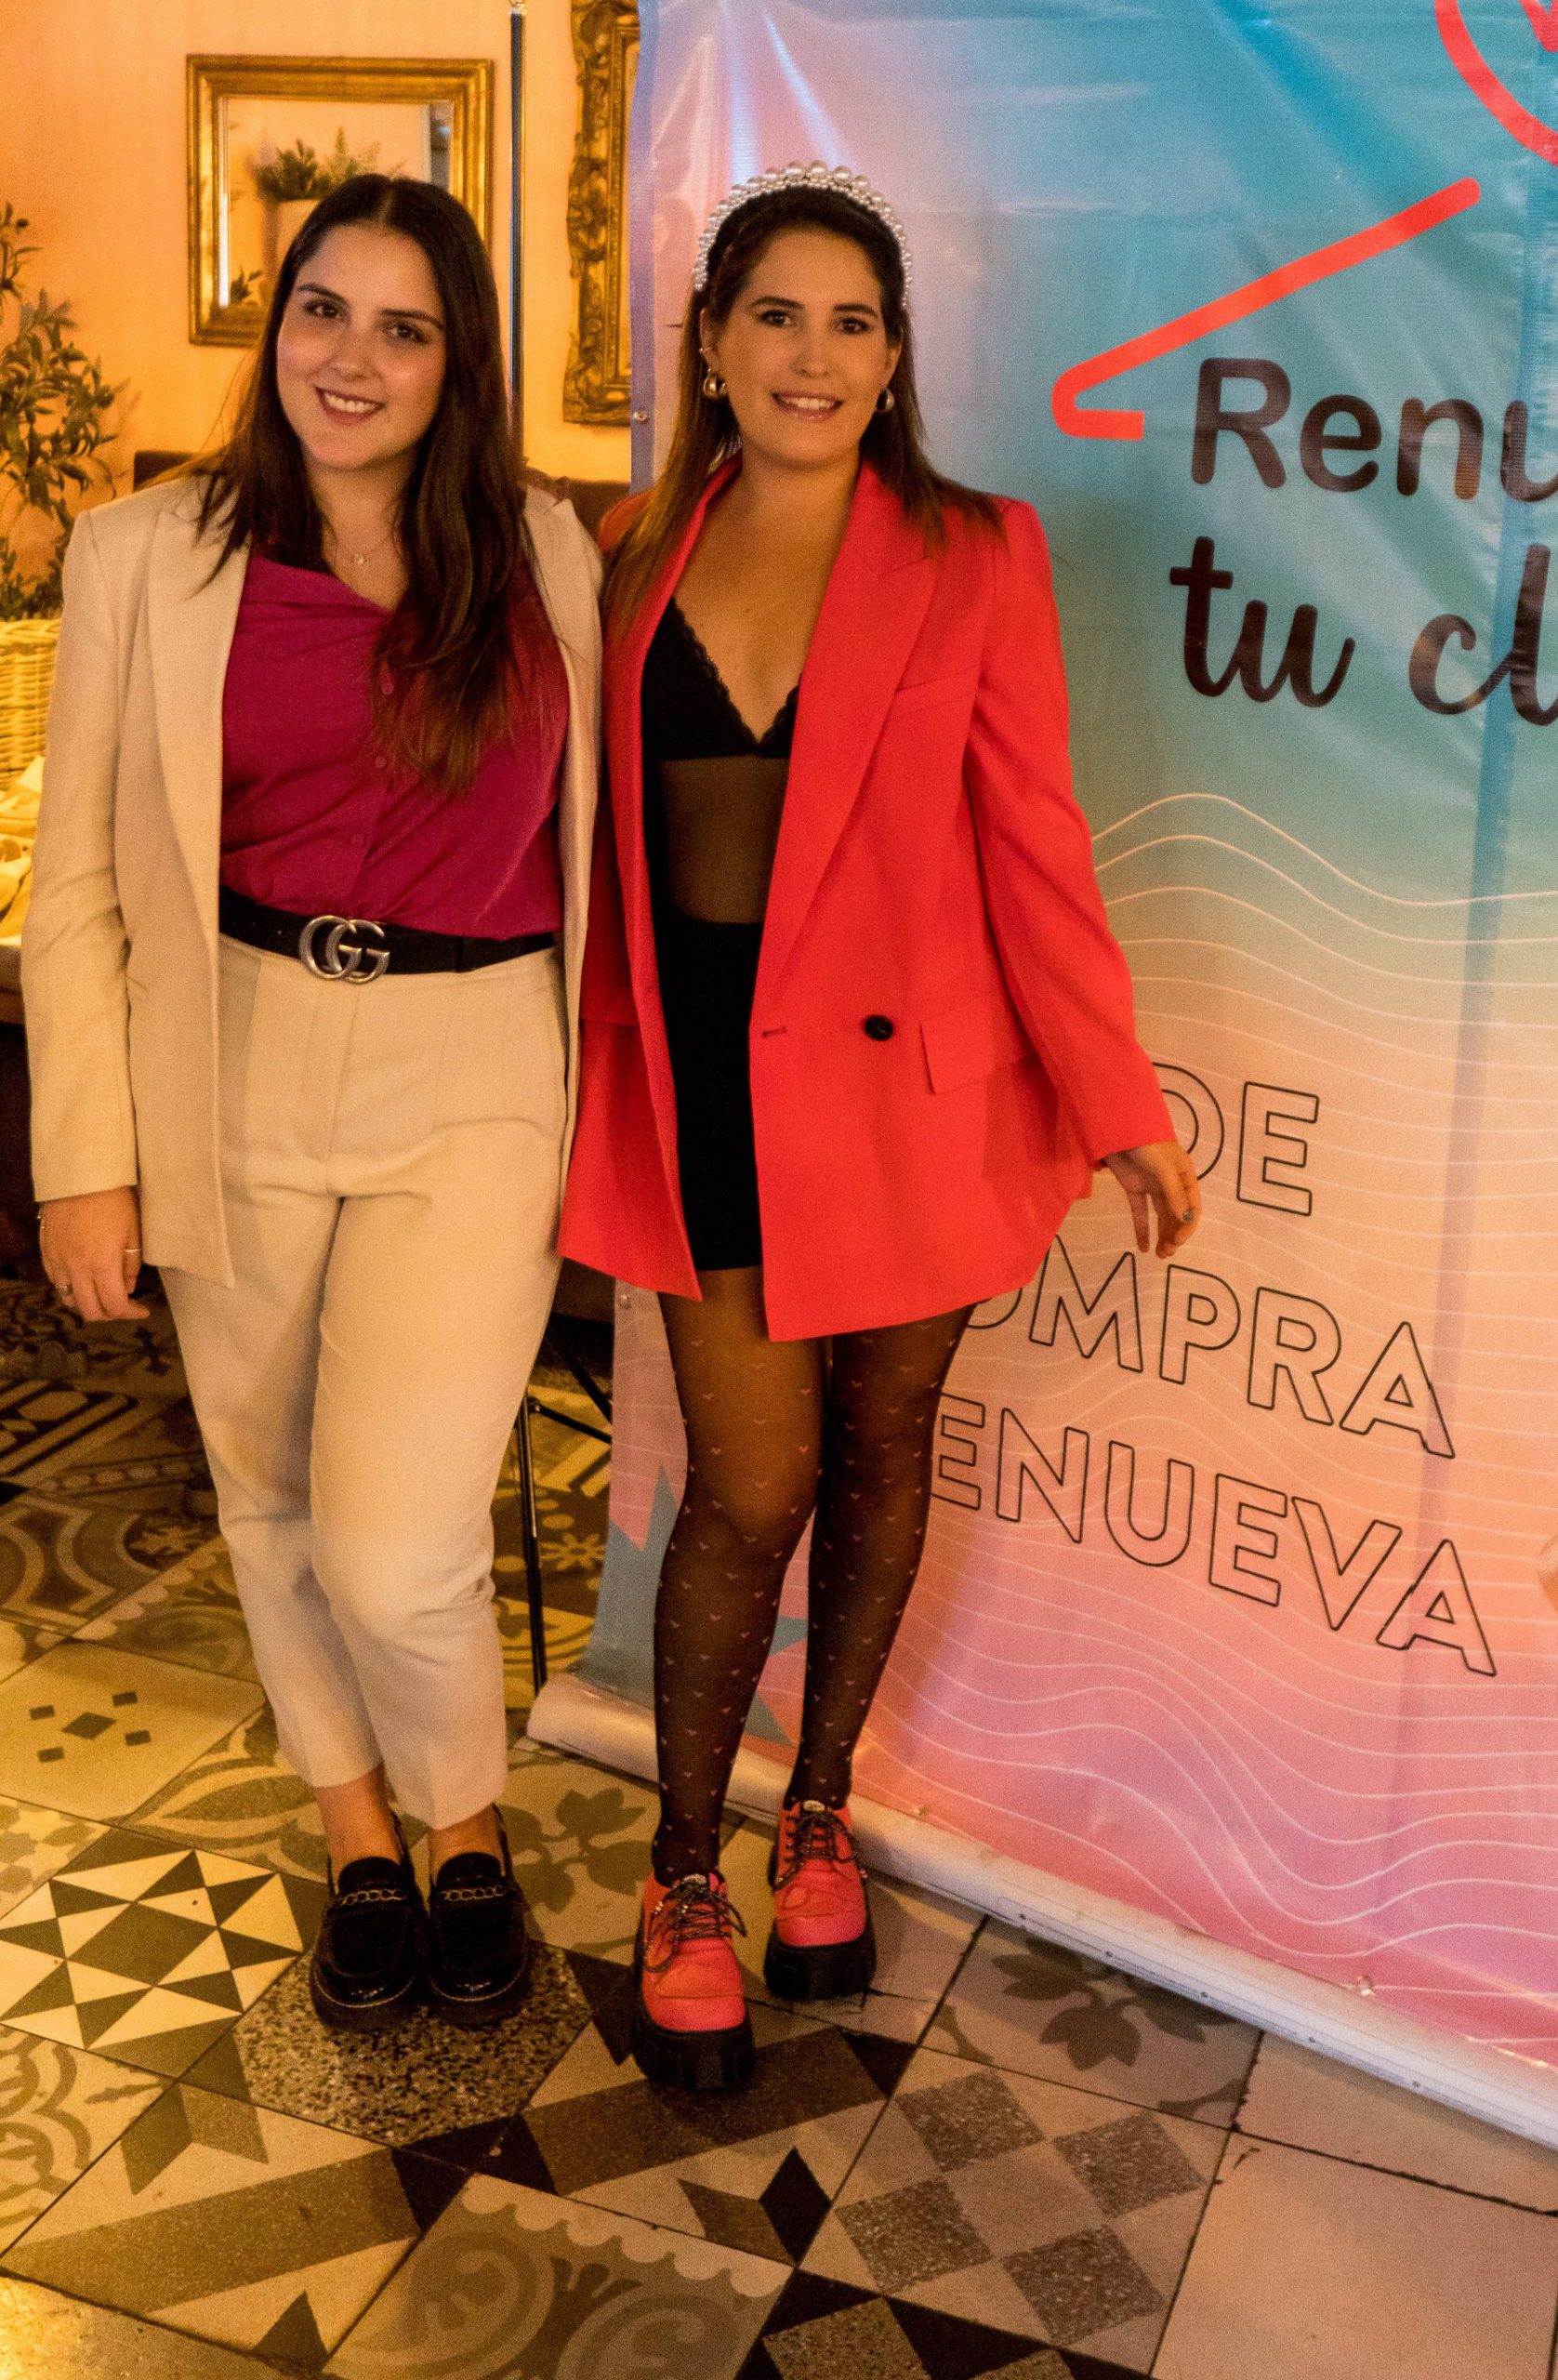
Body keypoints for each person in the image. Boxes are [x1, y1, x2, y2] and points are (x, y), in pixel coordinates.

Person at [560, 163, 1201, 2093]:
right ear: (711, 341)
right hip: (708, 1098)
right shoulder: (628, 548)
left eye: (855, 322)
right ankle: (686, 1871)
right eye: (777, 313)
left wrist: (1117, 1100)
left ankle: (819, 1812)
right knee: (749, 1486)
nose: (814, 354)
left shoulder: (975, 548)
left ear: (898, 357)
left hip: (919, 1105)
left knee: (881, 1446)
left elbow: (1035, 840)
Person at [25, 175, 602, 2034]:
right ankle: (366, 1835)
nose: (349, 358)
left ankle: (464, 1817)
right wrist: (83, 1163)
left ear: (459, 363)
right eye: (321, 310)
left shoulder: (547, 554)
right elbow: (81, 884)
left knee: (394, 1535)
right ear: (277, 326)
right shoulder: (142, 552)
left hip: (479, 1065)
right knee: (268, 1495)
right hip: (236, 1045)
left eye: (403, 327)